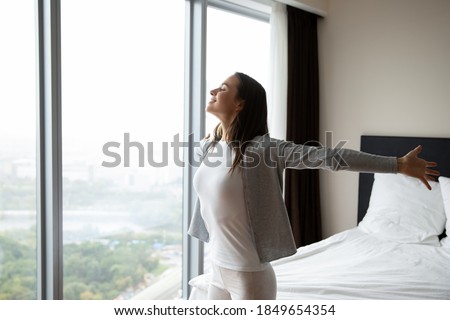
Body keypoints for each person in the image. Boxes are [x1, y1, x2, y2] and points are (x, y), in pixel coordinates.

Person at [188, 72, 439, 300]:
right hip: (216, 270)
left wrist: (397, 164)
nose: (213, 91)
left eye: (222, 88)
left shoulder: (266, 150)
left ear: (240, 103)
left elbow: (331, 157)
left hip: (249, 276)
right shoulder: (210, 147)